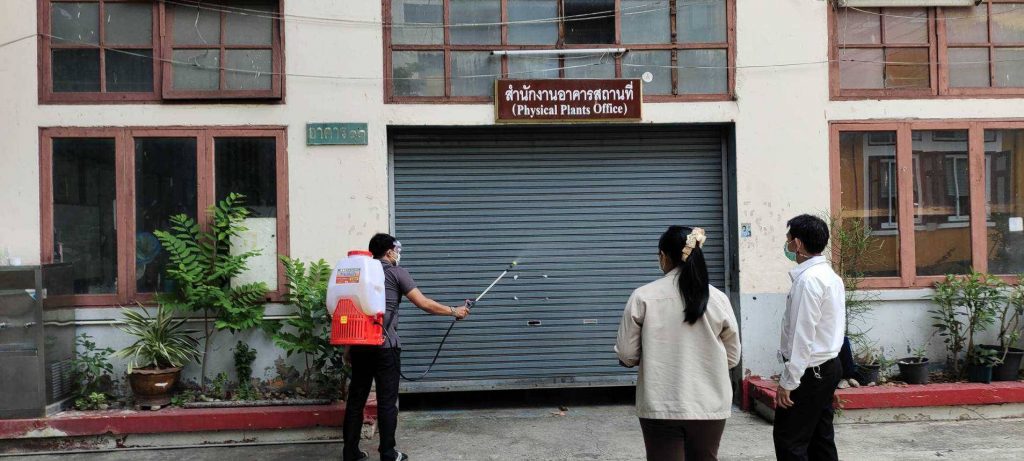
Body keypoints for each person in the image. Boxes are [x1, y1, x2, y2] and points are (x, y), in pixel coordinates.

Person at [616, 226, 741, 461]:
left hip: (660, 402)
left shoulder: (643, 296)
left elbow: (626, 353)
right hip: (709, 403)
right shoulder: (718, 299)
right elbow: (732, 357)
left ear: (664, 256)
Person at [343, 233, 471, 461]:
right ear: (389, 252)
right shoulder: (395, 272)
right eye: (396, 249)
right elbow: (424, 303)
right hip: (386, 347)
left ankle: (350, 453)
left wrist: (348, 347)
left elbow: (351, 311)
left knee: (356, 400)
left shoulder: (360, 274)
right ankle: (388, 453)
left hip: (360, 346)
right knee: (386, 401)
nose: (398, 253)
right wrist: (454, 310)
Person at [773, 215, 846, 461]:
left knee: (790, 439)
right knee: (820, 437)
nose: (787, 244)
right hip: (827, 367)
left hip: (810, 371)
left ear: (798, 244)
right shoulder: (830, 276)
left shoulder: (809, 280)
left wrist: (789, 381)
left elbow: (803, 336)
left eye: (788, 239)